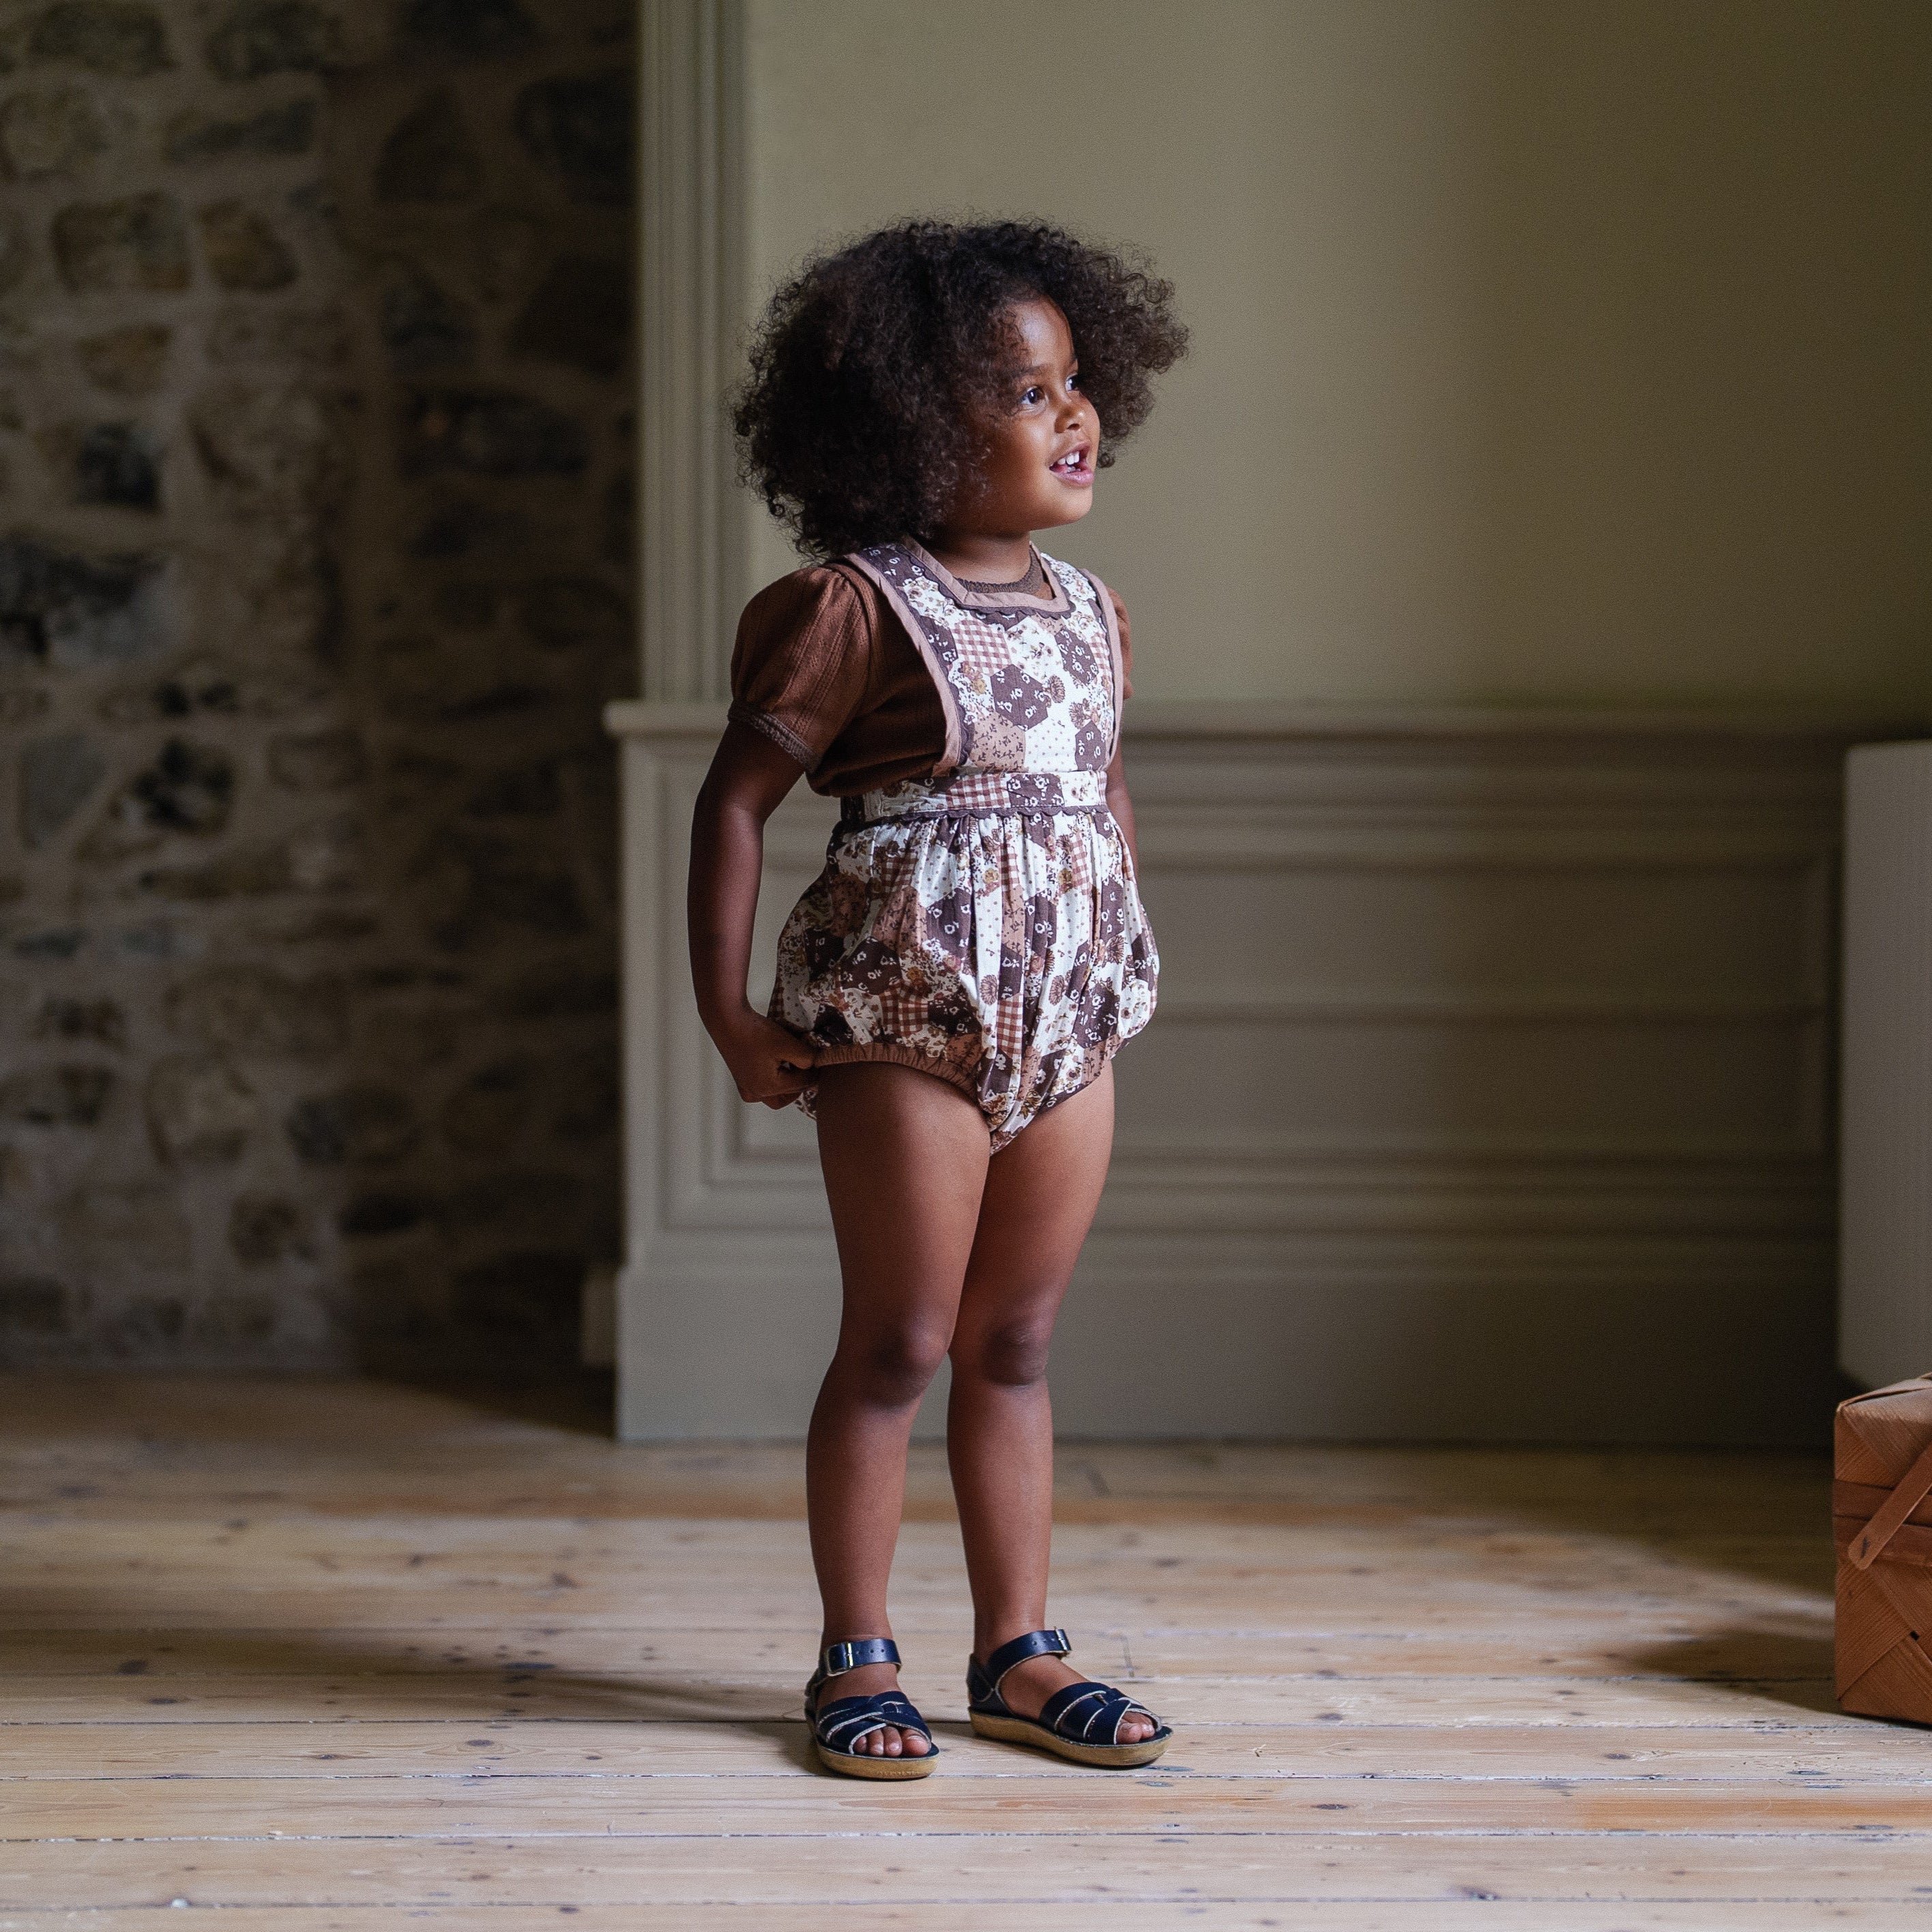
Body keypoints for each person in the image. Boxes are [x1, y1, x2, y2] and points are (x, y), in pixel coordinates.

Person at [687, 219, 1187, 1779]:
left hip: (1068, 1025)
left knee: (1016, 1340)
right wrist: (730, 1014)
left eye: (1077, 382)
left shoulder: (1093, 612)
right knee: (902, 1339)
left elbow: (1100, 791)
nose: (1075, 414)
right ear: (908, 427)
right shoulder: (855, 610)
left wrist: (1109, 949)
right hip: (907, 1023)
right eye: (1029, 394)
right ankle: (856, 1653)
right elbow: (733, 807)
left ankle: (1017, 1653)